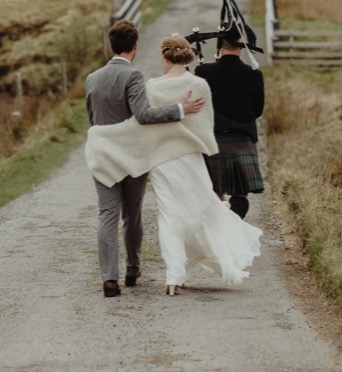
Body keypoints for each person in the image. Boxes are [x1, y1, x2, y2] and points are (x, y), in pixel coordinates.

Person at [86, 34, 262, 295]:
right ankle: (211, 257)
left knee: (169, 217)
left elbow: (142, 123)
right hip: (190, 158)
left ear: (164, 56)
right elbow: (205, 128)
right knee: (204, 207)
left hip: (161, 161)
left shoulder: (152, 87)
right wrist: (204, 148)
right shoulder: (200, 85)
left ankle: (173, 278)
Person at [85, 19, 205, 298]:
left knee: (107, 214)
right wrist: (180, 109)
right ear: (135, 47)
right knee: (132, 215)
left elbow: (93, 119)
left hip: (102, 154)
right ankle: (132, 269)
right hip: (130, 156)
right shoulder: (133, 77)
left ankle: (109, 279)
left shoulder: (92, 78)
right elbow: (143, 115)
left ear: (111, 45)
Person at [194, 23, 265, 220]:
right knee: (241, 193)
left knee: (216, 191)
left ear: (220, 46)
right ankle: (234, 225)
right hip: (243, 139)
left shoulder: (203, 72)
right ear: (241, 47)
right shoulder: (254, 74)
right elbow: (257, 110)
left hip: (213, 140)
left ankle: (221, 230)